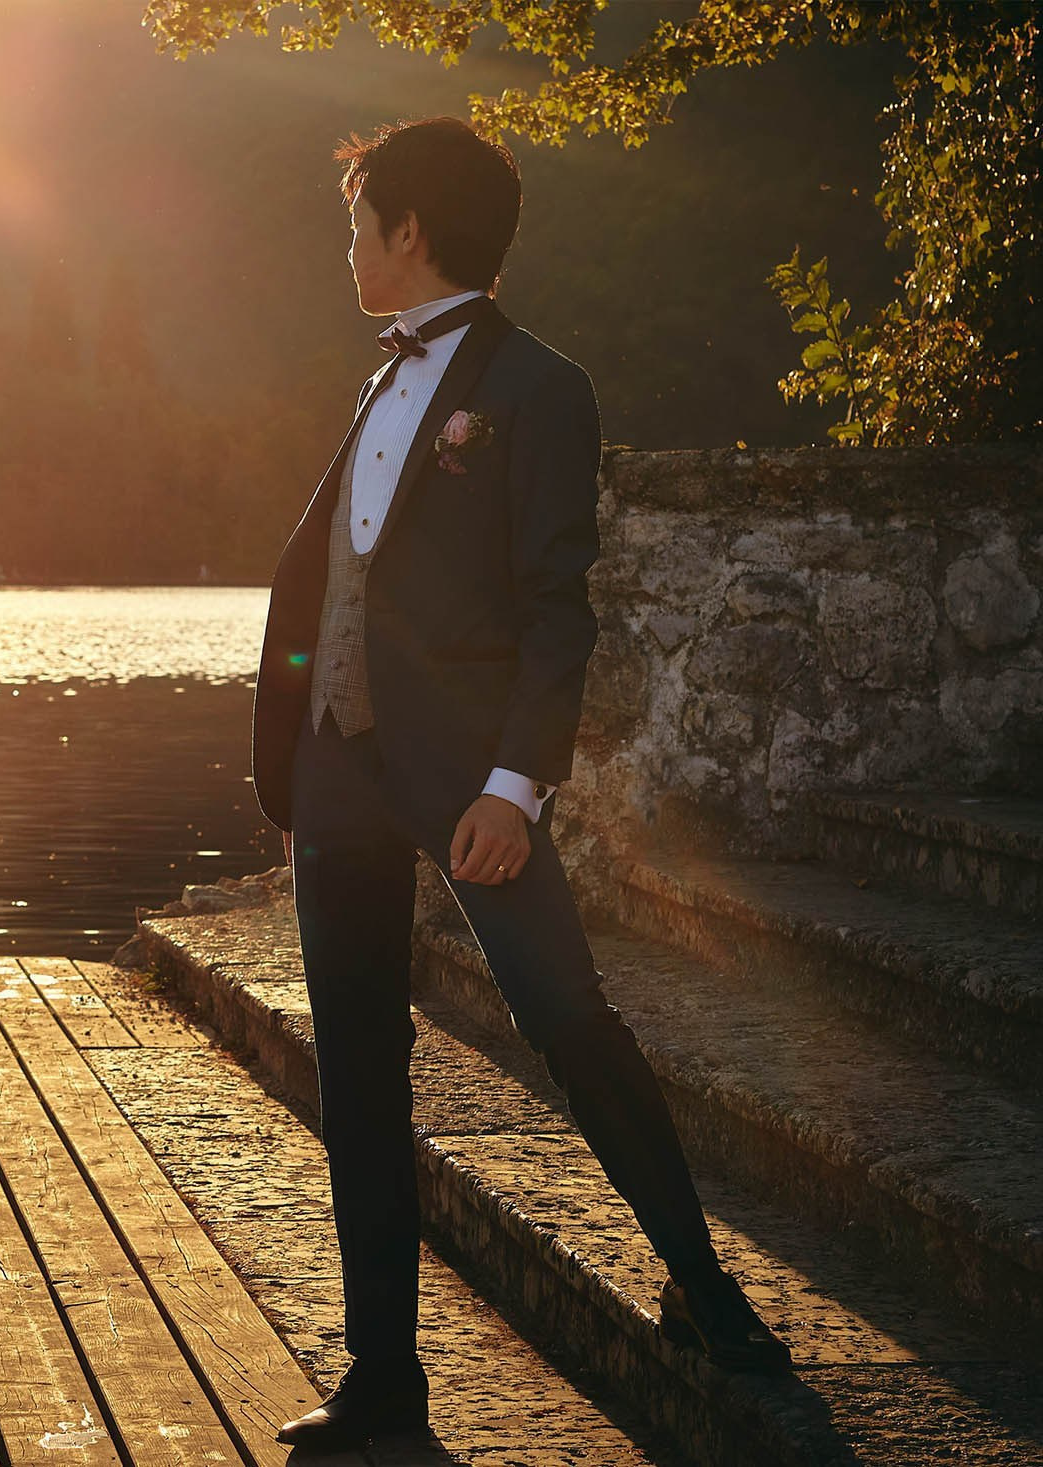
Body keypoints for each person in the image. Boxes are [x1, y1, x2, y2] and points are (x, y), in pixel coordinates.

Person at [250, 119, 789, 1450]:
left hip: (469, 779)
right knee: (360, 1069)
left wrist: (514, 783)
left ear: (410, 230)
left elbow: (559, 613)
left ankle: (706, 1288)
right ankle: (385, 1384)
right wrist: (310, 727)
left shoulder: (544, 388)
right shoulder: (379, 387)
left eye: (359, 219)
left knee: (567, 1013)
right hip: (339, 775)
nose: (351, 246)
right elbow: (340, 577)